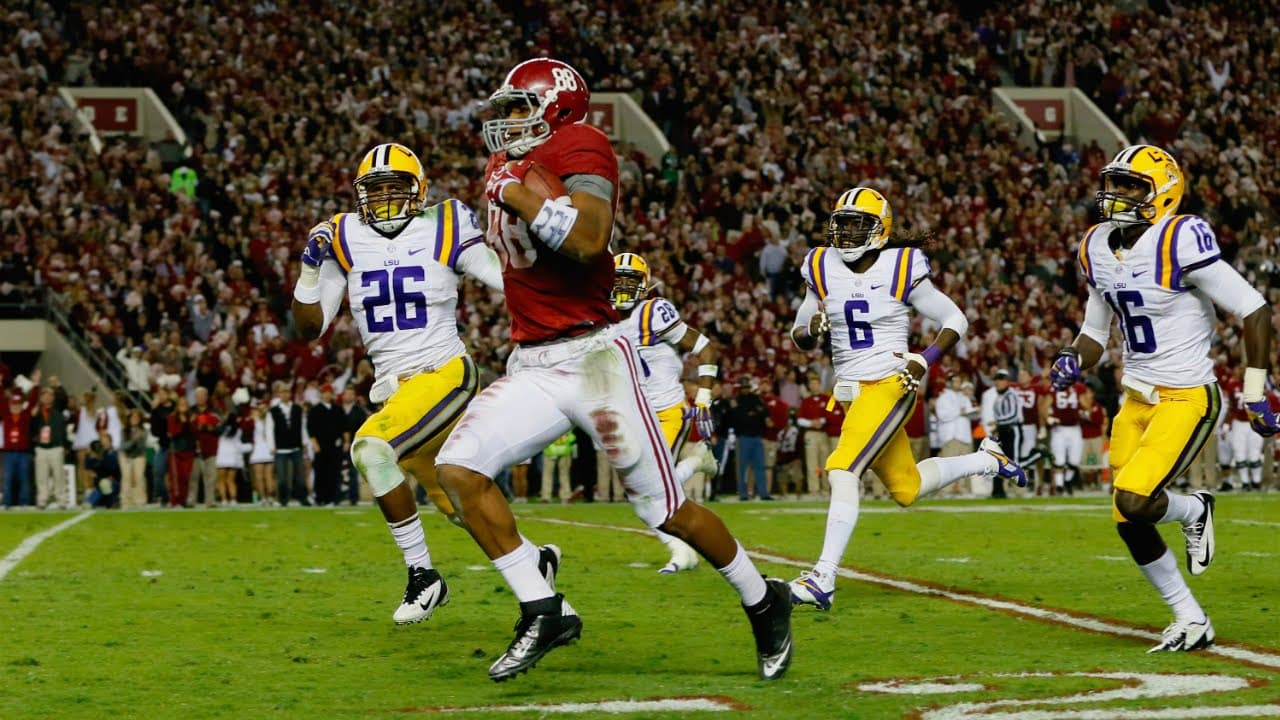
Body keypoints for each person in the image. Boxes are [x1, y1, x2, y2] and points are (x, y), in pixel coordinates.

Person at [436, 58, 793, 682]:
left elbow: (588, 241)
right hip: (533, 360)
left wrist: (520, 194)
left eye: (521, 107)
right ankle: (543, 608)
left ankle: (764, 599)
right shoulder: (503, 164)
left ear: (556, 110)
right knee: (459, 471)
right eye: (507, 108)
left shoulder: (580, 143)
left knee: (665, 510)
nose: (507, 120)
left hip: (595, 358)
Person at [1049, 144, 1276, 653]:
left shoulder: (1179, 238)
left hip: (1187, 395)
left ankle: (1194, 509)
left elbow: (1254, 308)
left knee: (1134, 498)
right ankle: (1191, 618)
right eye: (1115, 183)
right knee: (1126, 516)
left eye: (1131, 185)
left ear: (1164, 193)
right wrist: (1072, 356)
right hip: (1135, 399)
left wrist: (1255, 392)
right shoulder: (1096, 245)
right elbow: (1094, 331)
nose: (1117, 194)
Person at [291, 141, 518, 625]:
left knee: (371, 450)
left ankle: (423, 575)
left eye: (395, 187)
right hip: (398, 393)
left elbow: (503, 279)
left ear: (419, 190)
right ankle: (534, 563)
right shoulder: (344, 235)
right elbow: (311, 327)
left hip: (444, 373)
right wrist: (309, 270)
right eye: (375, 189)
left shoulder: (445, 222)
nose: (385, 197)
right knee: (459, 502)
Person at [787, 187, 1025, 611]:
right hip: (851, 392)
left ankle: (823, 577)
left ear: (879, 230)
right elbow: (799, 333)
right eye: (842, 224)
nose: (846, 234)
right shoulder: (819, 264)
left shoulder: (901, 265)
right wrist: (812, 330)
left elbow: (955, 318)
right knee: (906, 488)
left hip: (891, 383)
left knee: (842, 468)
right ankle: (988, 460)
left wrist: (924, 359)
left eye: (857, 225)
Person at [610, 252, 721, 573]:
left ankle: (680, 551)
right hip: (634, 414)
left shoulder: (652, 312)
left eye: (630, 280)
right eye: (617, 279)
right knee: (642, 490)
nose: (622, 287)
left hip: (667, 410)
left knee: (652, 488)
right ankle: (697, 462)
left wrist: (703, 396)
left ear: (644, 285)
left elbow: (705, 348)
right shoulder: (601, 318)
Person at [32, 378, 69, 510]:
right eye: (45, 395)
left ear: (53, 397)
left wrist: (58, 384)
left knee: (59, 475)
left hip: (56, 447)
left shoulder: (58, 408)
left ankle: (61, 500)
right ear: (41, 397)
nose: (47, 397)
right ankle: (42, 500)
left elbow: (64, 398)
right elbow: (30, 427)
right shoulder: (37, 412)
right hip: (41, 448)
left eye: (50, 395)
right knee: (41, 476)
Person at [3, 391, 34, 508]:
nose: (16, 406)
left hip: (23, 454)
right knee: (7, 478)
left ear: (22, 405)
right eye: (13, 404)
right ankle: (6, 502)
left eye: (18, 404)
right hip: (9, 454)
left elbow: (32, 403)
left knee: (24, 479)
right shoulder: (6, 416)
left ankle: (24, 502)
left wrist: (36, 387)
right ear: (10, 405)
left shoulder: (25, 417)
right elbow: (1, 401)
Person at [119, 408, 149, 508]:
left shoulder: (144, 431)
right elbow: (124, 446)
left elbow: (142, 447)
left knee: (139, 477)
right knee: (126, 477)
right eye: (132, 417)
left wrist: (135, 441)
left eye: (137, 417)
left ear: (140, 419)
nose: (134, 419)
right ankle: (126, 501)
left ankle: (140, 501)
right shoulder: (124, 431)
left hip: (139, 455)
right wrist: (134, 440)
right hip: (125, 456)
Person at [540, 430, 575, 503]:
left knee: (547, 474)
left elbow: (543, 437)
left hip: (550, 450)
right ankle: (566, 496)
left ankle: (546, 497)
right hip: (564, 450)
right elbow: (572, 438)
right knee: (564, 475)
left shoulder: (548, 426)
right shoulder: (565, 425)